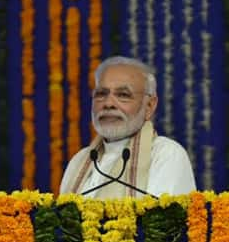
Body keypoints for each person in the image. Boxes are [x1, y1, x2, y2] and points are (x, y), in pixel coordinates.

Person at [59, 56, 197, 198]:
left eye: (123, 95)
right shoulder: (80, 160)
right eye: (101, 94)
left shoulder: (165, 154)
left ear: (149, 106)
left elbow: (162, 218)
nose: (108, 103)